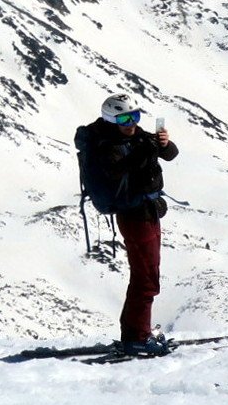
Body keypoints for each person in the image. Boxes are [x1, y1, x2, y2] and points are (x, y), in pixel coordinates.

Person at [75, 93, 178, 354]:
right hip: (134, 215)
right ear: (111, 118)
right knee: (146, 278)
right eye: (124, 117)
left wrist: (163, 144)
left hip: (147, 211)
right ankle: (136, 338)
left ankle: (135, 332)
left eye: (135, 115)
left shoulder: (135, 138)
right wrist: (145, 150)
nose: (131, 122)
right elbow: (115, 171)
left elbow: (171, 155)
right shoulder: (107, 145)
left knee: (146, 274)